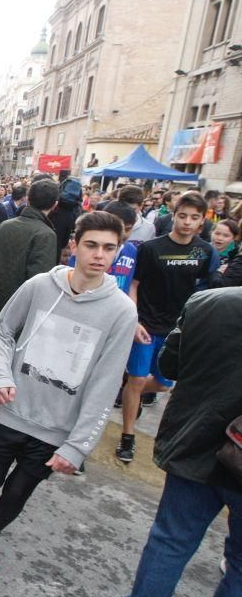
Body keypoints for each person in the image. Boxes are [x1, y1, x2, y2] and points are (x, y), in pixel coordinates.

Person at [0, 212, 137, 580]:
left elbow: (106, 383)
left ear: (118, 251)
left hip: (57, 428)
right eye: (91, 245)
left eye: (109, 248)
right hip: (12, 410)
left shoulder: (121, 311)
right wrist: (0, 377)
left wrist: (77, 446)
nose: (99, 255)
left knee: (18, 492)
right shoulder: (41, 286)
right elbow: (4, 331)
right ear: (74, 245)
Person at [114, 287, 242, 597]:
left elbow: (169, 365)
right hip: (202, 447)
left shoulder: (209, 302)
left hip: (196, 442)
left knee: (171, 541)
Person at [116, 191, 219, 463]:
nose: (187, 222)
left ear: (201, 221)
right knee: (138, 380)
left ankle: (127, 390)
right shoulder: (151, 248)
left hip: (178, 331)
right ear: (174, 215)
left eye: (194, 217)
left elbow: (207, 292)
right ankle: (128, 437)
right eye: (182, 215)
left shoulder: (206, 253)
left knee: (162, 385)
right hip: (146, 325)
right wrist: (135, 319)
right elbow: (134, 285)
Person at [0, 178, 59, 442]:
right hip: (17, 314)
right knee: (0, 365)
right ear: (53, 205)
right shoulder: (45, 235)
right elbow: (39, 284)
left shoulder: (7, 226)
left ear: (28, 198)